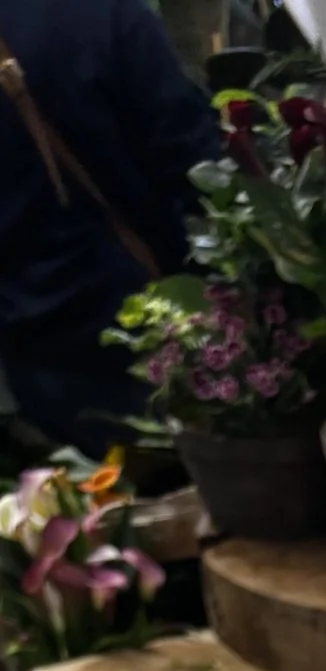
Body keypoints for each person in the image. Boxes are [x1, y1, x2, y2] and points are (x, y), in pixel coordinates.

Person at [0, 0, 219, 454]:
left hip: (29, 355)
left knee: (76, 516)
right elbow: (198, 166)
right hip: (143, 330)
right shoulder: (105, 15)